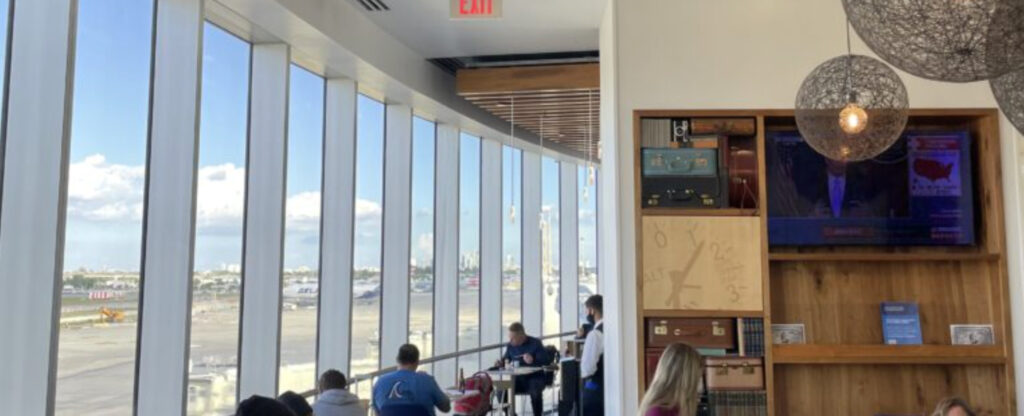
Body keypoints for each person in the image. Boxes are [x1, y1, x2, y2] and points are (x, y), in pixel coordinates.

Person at [372, 344, 451, 415]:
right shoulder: (427, 381)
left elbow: (378, 412)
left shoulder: (380, 382)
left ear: (397, 360)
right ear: (417, 362)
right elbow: (445, 408)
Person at [493, 322, 551, 416]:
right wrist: (500, 363)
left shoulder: (535, 343)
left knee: (535, 392)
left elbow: (546, 361)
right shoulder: (510, 346)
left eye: (513, 338)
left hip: (534, 377)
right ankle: (510, 413)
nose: (510, 340)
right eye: (510, 337)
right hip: (518, 379)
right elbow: (505, 360)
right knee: (501, 391)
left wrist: (533, 360)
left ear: (521, 336)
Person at [638, 343, 703, 416]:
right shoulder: (658, 412)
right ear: (686, 380)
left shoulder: (680, 407)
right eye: (697, 379)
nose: (699, 387)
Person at [580, 294, 605, 416]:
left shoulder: (595, 334)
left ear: (592, 310)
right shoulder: (613, 328)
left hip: (595, 387)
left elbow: (588, 368)